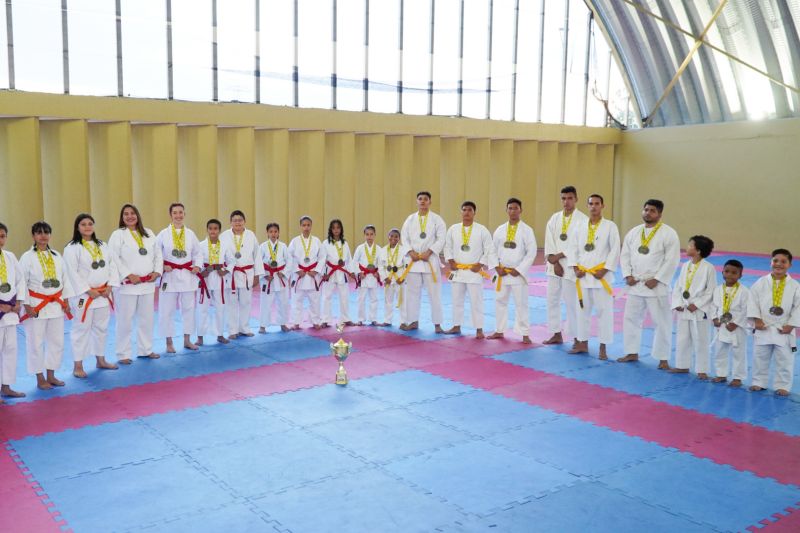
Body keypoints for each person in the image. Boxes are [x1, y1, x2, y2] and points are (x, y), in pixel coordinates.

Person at [618, 199, 681, 369]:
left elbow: (672, 259)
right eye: (645, 209)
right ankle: (631, 352)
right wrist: (627, 275)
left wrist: (658, 279)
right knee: (631, 319)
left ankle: (663, 358)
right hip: (635, 283)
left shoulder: (669, 233)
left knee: (662, 322)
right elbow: (625, 255)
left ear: (659, 214)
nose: (648, 213)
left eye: (652, 210)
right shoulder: (634, 232)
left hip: (656, 285)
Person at [20, 221, 75, 389]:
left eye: (46, 232)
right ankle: (39, 378)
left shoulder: (57, 256)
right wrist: (27, 306)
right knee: (35, 343)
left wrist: (66, 301)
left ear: (50, 235)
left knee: (56, 341)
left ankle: (51, 375)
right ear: (33, 236)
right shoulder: (27, 257)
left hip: (56, 305)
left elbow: (65, 280)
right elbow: (22, 282)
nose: (43, 235)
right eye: (39, 232)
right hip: (36, 305)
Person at [63, 213, 120, 378]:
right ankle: (78, 365)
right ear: (77, 227)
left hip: (102, 294)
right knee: (81, 329)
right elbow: (71, 273)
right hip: (84, 297)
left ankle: (100, 360)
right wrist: (88, 290)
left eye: (90, 223)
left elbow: (112, 265)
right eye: (83, 224)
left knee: (101, 328)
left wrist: (110, 285)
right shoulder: (72, 248)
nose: (87, 227)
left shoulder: (102, 245)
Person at [567, 194, 620, 359]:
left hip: (600, 277)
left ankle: (603, 347)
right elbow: (573, 248)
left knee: (604, 313)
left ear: (602, 206)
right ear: (587, 205)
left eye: (597, 204)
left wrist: (605, 270)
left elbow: (615, 249)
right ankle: (582, 343)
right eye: (591, 204)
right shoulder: (579, 226)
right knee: (581, 311)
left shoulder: (610, 226)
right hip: (583, 276)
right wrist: (575, 268)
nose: (594, 207)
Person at [108, 204, 163, 363]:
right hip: (127, 286)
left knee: (147, 319)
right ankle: (123, 354)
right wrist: (128, 274)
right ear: (122, 217)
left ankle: (145, 350)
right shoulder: (118, 235)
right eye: (126, 214)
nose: (130, 216)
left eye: (132, 213)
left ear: (137, 215)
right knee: (125, 321)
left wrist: (157, 271)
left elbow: (158, 254)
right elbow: (113, 257)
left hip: (147, 284)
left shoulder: (149, 233)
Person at [747, 249, 800, 396]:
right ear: (771, 262)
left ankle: (782, 385)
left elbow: (798, 307)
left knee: (785, 359)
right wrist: (756, 319)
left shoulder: (795, 285)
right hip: (764, 326)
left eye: (783, 261)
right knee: (760, 357)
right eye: (775, 260)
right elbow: (752, 301)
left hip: (783, 328)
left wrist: (791, 325)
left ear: (790, 265)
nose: (779, 264)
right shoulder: (761, 282)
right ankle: (759, 382)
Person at [443, 201, 496, 339]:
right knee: (456, 300)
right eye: (464, 210)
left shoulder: (481, 230)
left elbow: (489, 248)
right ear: (461, 212)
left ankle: (479, 329)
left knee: (476, 301)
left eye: (470, 210)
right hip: (458, 271)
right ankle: (456, 325)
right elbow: (447, 247)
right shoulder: (453, 229)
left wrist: (481, 264)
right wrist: (450, 261)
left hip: (474, 271)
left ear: (474, 213)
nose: (467, 212)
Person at [543, 186, 588, 347]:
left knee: (571, 302)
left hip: (570, 266)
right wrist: (553, 261)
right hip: (554, 266)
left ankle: (577, 337)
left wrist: (560, 257)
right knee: (552, 300)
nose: (566, 202)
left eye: (569, 198)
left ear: (576, 199)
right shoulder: (554, 218)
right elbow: (549, 241)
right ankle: (556, 333)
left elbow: (577, 244)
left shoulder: (583, 220)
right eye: (563, 198)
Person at [488, 198, 537, 344]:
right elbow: (492, 250)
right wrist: (497, 267)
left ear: (520, 210)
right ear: (506, 210)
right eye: (510, 208)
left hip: (517, 273)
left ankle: (525, 333)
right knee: (499, 301)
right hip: (502, 272)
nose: (512, 211)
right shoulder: (500, 230)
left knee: (521, 303)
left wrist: (520, 269)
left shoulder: (527, 230)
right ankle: (499, 330)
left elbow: (531, 252)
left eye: (515, 208)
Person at [157, 203, 203, 352]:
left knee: (189, 309)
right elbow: (156, 254)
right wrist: (162, 266)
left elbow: (198, 253)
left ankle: (187, 340)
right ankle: (169, 343)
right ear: (170, 215)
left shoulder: (190, 234)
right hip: (169, 276)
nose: (178, 215)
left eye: (180, 212)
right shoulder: (163, 234)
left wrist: (198, 266)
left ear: (185, 214)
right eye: (175, 213)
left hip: (188, 275)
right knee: (166, 310)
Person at [670, 235, 717, 378]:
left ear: (698, 250)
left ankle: (702, 369)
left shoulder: (709, 268)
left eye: (690, 245)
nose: (687, 247)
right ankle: (682, 365)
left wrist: (696, 305)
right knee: (682, 338)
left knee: (701, 339)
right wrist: (678, 303)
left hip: (699, 310)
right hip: (684, 308)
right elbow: (678, 286)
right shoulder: (686, 265)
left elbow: (711, 291)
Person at [400, 191, 446, 333]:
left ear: (430, 202)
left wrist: (430, 251)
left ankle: (437, 324)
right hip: (414, 261)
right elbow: (404, 237)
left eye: (426, 199)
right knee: (412, 294)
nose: (423, 201)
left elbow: (441, 238)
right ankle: (413, 321)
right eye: (420, 199)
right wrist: (410, 251)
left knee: (435, 294)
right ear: (417, 201)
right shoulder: (410, 219)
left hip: (430, 260)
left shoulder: (437, 219)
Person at [221, 210, 263, 338]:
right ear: (231, 222)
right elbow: (219, 254)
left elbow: (257, 256)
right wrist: (222, 270)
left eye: (240, 220)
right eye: (235, 220)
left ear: (244, 221)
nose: (237, 222)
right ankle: (232, 330)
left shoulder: (251, 235)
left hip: (247, 273)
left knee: (246, 302)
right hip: (231, 274)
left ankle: (244, 328)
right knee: (231, 303)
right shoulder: (224, 236)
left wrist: (257, 275)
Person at [710, 259, 750, 387]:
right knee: (719, 351)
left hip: (737, 327)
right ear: (722, 272)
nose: (730, 275)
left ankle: (738, 377)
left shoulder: (745, 291)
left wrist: (736, 323)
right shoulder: (717, 289)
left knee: (739, 352)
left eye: (734, 272)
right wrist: (714, 318)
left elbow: (746, 309)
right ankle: (721, 374)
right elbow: (713, 306)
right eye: (727, 271)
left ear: (740, 275)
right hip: (722, 324)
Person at [0, 222, 26, 402]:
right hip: (1, 307)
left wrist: (18, 302)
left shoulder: (10, 256)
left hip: (10, 310)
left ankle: (6, 386)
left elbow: (20, 280)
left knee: (11, 349)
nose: (0, 239)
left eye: (2, 236)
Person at [197, 219, 233, 345]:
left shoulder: (224, 245)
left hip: (219, 278)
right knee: (202, 307)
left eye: (215, 228)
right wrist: (202, 271)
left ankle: (220, 334)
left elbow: (231, 261)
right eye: (210, 228)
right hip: (205, 278)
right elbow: (196, 261)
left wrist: (226, 270)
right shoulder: (200, 245)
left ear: (219, 230)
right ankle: (200, 336)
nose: (213, 231)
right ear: (207, 230)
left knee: (220, 307)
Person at [287, 216, 324, 329]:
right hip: (300, 275)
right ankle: (296, 323)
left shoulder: (317, 241)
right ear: (300, 226)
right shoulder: (295, 241)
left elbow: (322, 257)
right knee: (296, 300)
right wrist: (297, 270)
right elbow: (289, 257)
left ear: (311, 226)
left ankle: (315, 321)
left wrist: (317, 270)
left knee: (315, 300)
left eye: (308, 225)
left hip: (312, 275)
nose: (306, 227)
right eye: (304, 225)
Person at [320, 219, 354, 328]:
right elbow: (321, 259)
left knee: (344, 296)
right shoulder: (325, 243)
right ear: (330, 229)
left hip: (342, 272)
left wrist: (351, 272)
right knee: (326, 296)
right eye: (333, 228)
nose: (336, 230)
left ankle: (346, 318)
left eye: (338, 228)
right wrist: (322, 273)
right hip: (330, 272)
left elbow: (349, 259)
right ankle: (325, 319)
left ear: (341, 229)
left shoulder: (345, 243)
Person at [258, 222, 292, 333]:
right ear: (267, 233)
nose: (273, 234)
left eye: (275, 231)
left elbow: (289, 261)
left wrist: (285, 272)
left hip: (280, 276)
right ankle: (263, 325)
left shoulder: (283, 246)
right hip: (268, 278)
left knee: (283, 302)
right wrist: (264, 275)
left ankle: (282, 324)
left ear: (278, 233)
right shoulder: (262, 246)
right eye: (271, 231)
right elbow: (258, 263)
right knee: (265, 302)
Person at [352, 225, 382, 326]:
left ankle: (373, 318)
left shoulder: (378, 249)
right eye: (367, 234)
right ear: (364, 235)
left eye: (371, 234)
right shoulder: (360, 248)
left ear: (375, 235)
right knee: (361, 298)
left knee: (374, 298)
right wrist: (359, 273)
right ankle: (360, 319)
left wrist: (379, 273)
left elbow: (381, 263)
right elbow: (355, 262)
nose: (369, 237)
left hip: (373, 276)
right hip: (363, 276)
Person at [379, 228, 408, 327]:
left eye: (396, 236)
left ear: (399, 238)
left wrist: (403, 277)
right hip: (388, 279)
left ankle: (403, 322)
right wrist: (384, 278)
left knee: (402, 301)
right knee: (388, 301)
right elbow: (380, 266)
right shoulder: (383, 250)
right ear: (388, 237)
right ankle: (387, 320)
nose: (393, 238)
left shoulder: (403, 250)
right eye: (391, 236)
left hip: (399, 278)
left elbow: (407, 265)